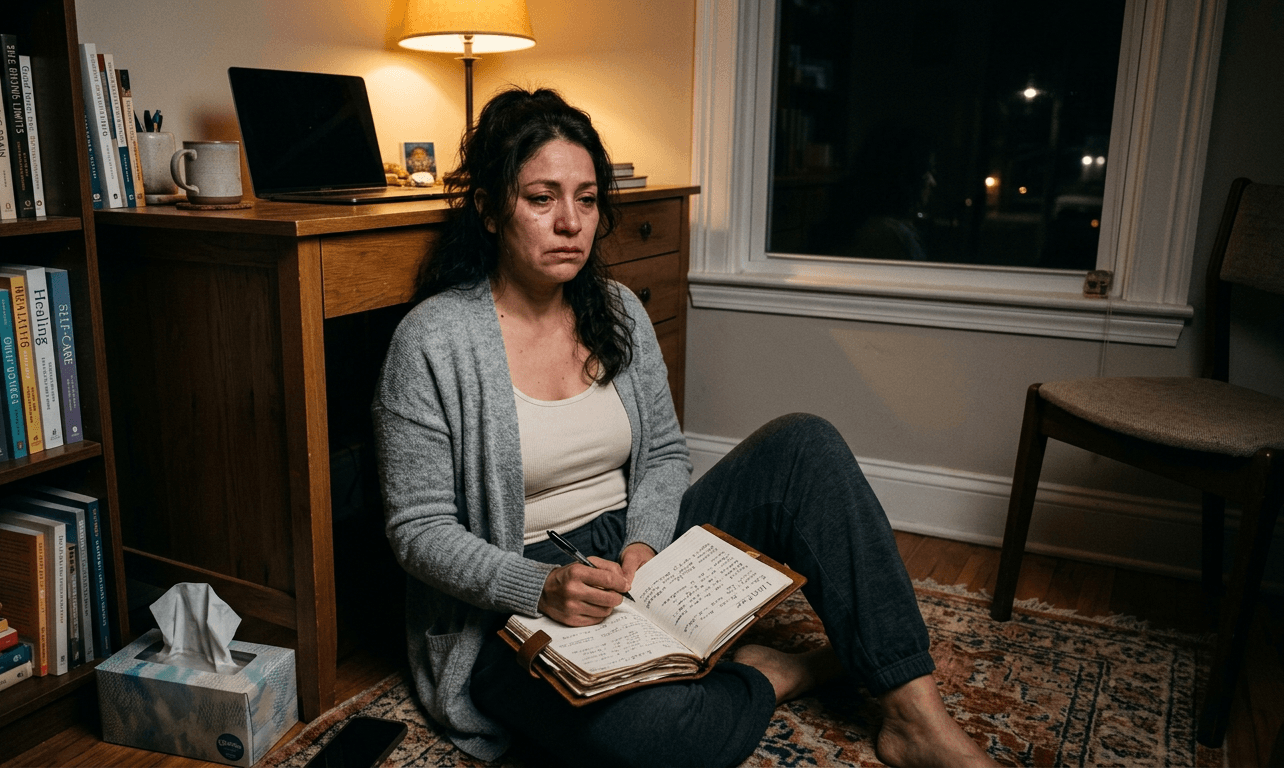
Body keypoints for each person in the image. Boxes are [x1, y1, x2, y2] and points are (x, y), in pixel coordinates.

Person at [373, 87, 995, 768]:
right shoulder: (432, 340)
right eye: (541, 198)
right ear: (492, 210)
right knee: (653, 737)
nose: (570, 222)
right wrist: (539, 585)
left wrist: (645, 542)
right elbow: (419, 530)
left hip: (639, 542)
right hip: (513, 590)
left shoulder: (616, 311)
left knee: (804, 444)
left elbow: (665, 453)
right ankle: (780, 671)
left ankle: (915, 719)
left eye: (586, 199)